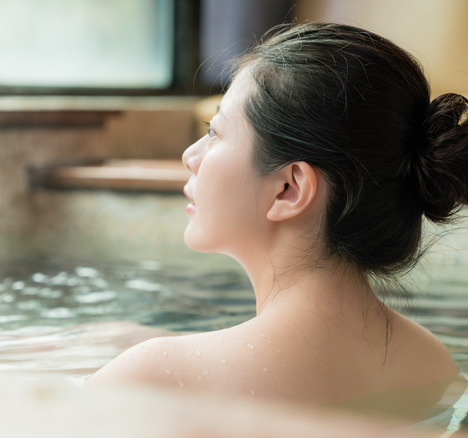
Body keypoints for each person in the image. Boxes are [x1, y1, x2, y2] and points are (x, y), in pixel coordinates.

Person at [87, 22, 468, 415]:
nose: (190, 156)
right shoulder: (432, 363)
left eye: (214, 132)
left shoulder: (152, 381)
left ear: (289, 189)